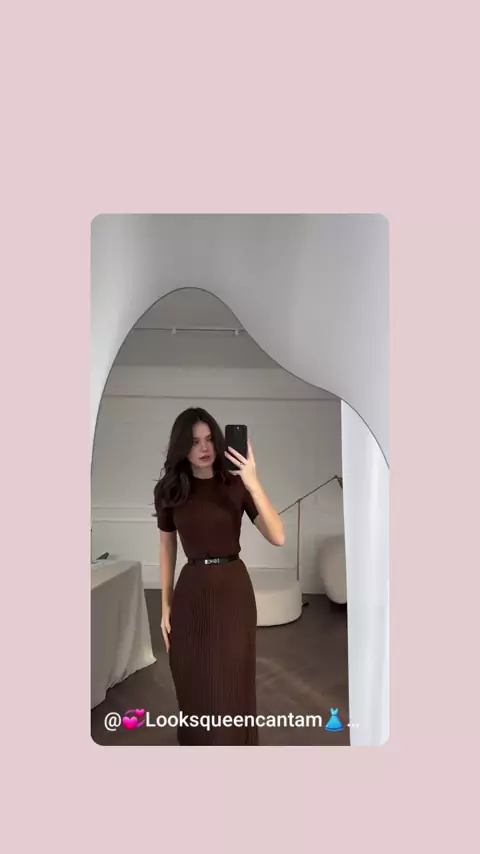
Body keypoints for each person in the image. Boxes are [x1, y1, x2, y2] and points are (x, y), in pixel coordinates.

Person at [153, 407, 285, 745]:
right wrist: (165, 605)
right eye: (194, 441)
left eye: (210, 438)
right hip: (191, 592)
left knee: (230, 679)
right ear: (182, 446)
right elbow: (167, 546)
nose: (204, 447)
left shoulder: (236, 484)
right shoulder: (169, 489)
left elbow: (278, 536)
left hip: (232, 591)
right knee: (191, 676)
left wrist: (253, 482)